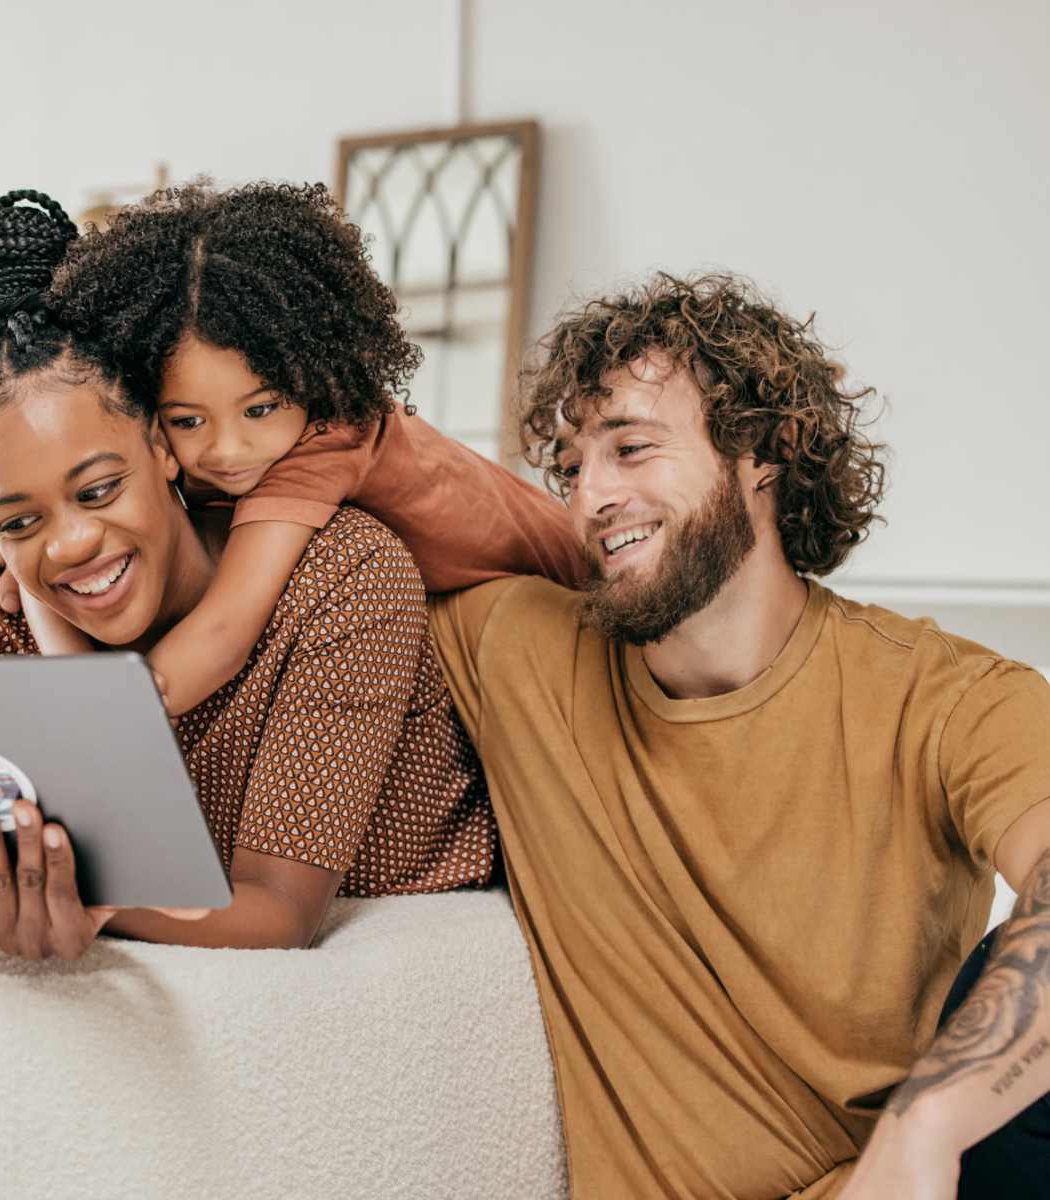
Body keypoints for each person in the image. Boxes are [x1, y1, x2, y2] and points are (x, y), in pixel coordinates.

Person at [428, 270, 1050, 1197]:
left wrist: (928, 1128)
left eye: (631, 449)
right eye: (569, 467)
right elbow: (350, 459)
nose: (590, 497)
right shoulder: (520, 651)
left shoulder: (944, 698)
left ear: (764, 450)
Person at [0, 190, 497, 956]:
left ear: (164, 445)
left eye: (99, 490)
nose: (71, 545)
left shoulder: (342, 574)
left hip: (410, 937)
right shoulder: (7, 608)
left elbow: (277, 913)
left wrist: (93, 902)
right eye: (19, 521)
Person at [0, 180, 585, 718]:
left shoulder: (323, 442)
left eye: (261, 408)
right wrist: (9, 537)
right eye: (186, 421)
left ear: (311, 374)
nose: (227, 450)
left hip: (575, 590)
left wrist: (90, 726)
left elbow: (222, 636)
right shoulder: (243, 452)